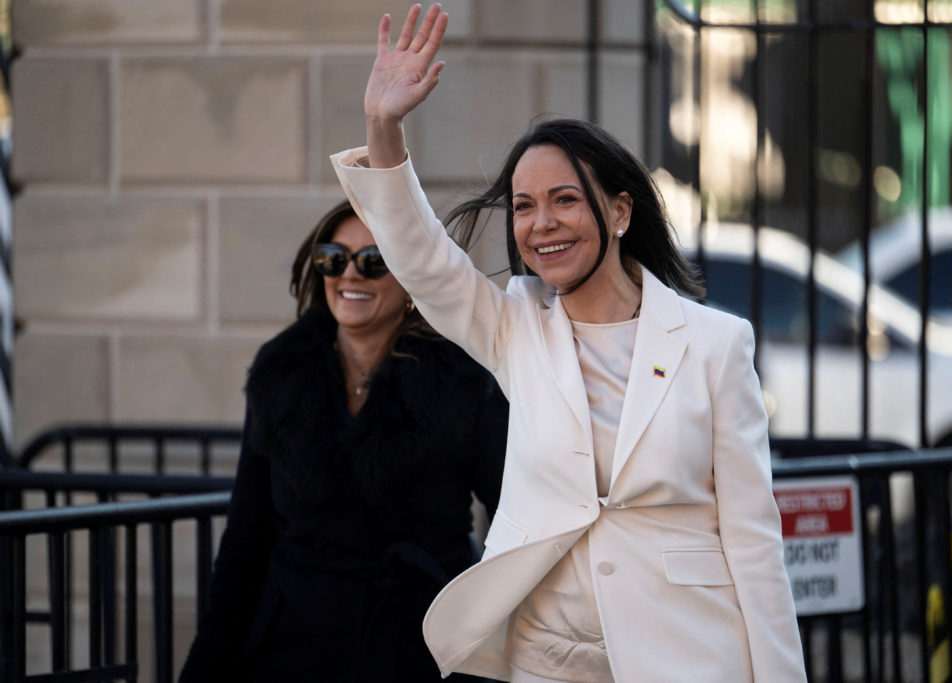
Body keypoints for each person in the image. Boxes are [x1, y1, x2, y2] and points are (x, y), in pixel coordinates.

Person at [330, 4, 807, 681]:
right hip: (546, 659)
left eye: (564, 200)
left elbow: (755, 541)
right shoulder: (515, 325)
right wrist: (384, 126)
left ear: (618, 210)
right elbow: (423, 260)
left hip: (687, 656)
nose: (541, 223)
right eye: (523, 205)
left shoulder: (717, 344)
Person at [177, 199, 508, 683]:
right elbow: (246, 541)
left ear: (411, 278)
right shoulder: (281, 375)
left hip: (419, 649)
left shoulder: (462, 379)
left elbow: (515, 519)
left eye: (374, 261)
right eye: (334, 258)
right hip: (292, 648)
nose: (350, 275)